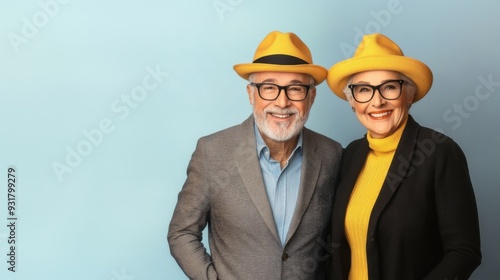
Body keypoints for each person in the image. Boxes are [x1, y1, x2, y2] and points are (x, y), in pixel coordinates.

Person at [167, 31, 343, 280]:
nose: (282, 102)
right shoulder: (212, 152)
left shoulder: (332, 154)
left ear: (311, 97)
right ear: (251, 94)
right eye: (269, 88)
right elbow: (181, 232)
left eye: (295, 88)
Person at [325, 33, 481, 280]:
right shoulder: (350, 154)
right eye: (364, 90)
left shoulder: (439, 152)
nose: (377, 101)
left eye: (389, 87)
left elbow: (464, 252)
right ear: (352, 101)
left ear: (409, 94)